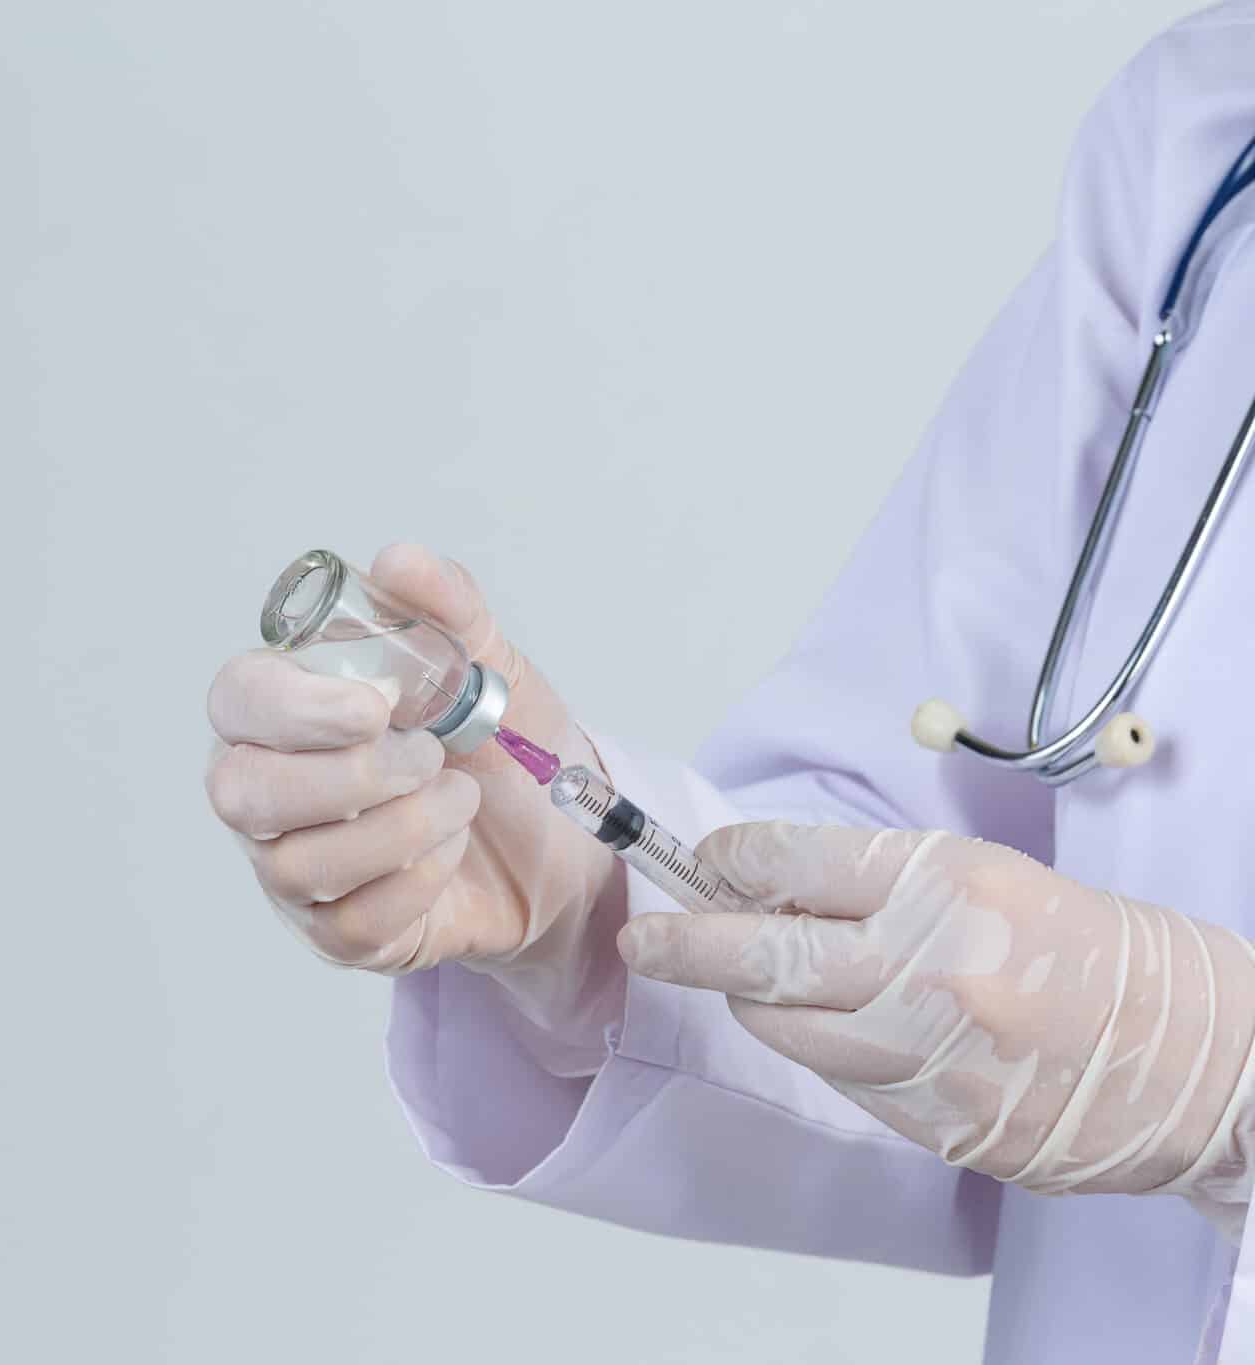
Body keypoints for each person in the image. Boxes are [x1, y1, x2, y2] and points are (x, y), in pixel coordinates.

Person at [203, 7, 1255, 1362]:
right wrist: (585, 910)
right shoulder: (1205, 136)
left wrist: (1228, 1070)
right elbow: (954, 926)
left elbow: (1123, 1038)